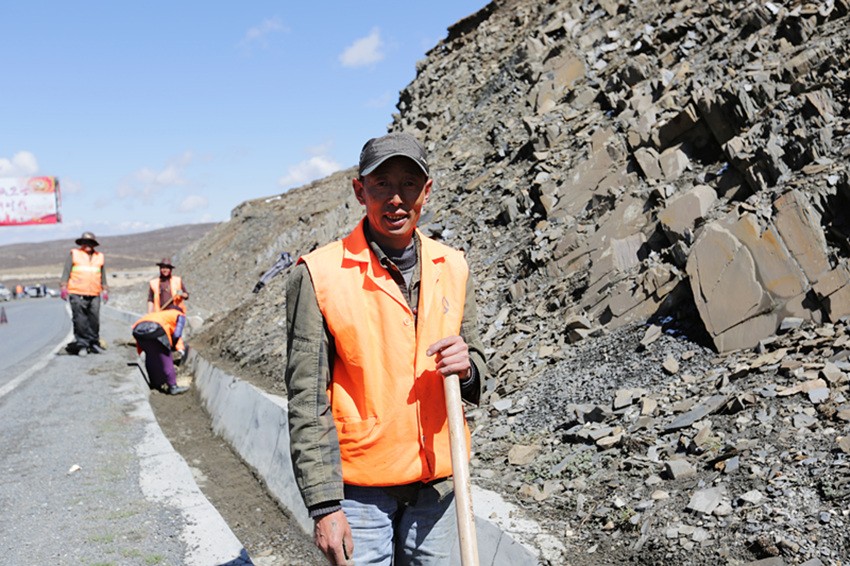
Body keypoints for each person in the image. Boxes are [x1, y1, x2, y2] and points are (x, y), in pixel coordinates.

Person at [285, 131, 489, 565]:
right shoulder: (319, 274)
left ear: (426, 191)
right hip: (359, 491)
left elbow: (478, 367)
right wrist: (324, 504)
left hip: (437, 486)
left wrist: (468, 369)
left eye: (409, 184)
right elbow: (306, 399)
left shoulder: (453, 266)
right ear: (360, 191)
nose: (396, 199)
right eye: (382, 184)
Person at [60, 231, 109, 355]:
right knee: (80, 320)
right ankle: (82, 344)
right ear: (81, 243)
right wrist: (64, 287)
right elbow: (66, 271)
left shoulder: (99, 256)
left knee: (94, 319)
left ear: (94, 244)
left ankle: (93, 343)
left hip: (94, 292)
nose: (87, 245)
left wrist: (105, 289)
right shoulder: (75, 254)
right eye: (85, 242)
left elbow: (102, 274)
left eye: (90, 242)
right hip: (77, 292)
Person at [132, 307, 189, 395]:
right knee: (166, 357)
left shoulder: (160, 314)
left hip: (137, 331)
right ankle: (173, 386)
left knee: (150, 356)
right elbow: (177, 334)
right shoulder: (180, 315)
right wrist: (172, 346)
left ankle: (155, 383)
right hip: (155, 329)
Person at [147, 257, 190, 358]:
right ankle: (170, 354)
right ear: (160, 269)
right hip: (161, 315)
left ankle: (178, 351)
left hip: (176, 314)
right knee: (164, 336)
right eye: (163, 267)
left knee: (176, 334)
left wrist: (182, 294)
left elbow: (186, 295)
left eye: (167, 268)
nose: (165, 270)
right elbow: (150, 299)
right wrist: (149, 315)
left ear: (170, 269)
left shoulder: (177, 281)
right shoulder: (154, 283)